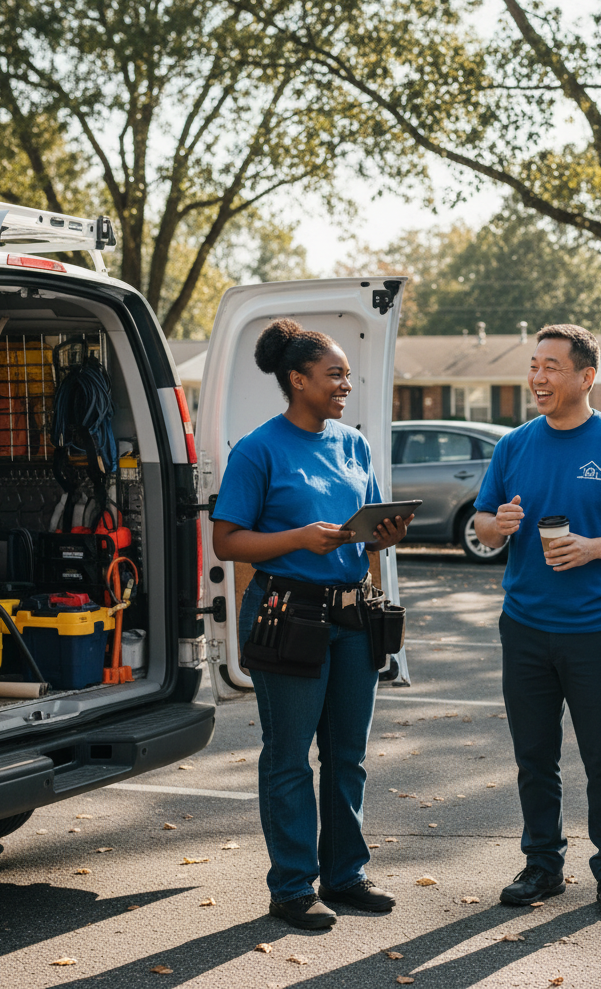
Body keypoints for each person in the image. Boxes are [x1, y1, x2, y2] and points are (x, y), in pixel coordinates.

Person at [211, 319, 412, 930]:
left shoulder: (354, 445)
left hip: (353, 617)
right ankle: (293, 887)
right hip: (286, 616)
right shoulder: (258, 449)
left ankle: (345, 876)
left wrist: (385, 535)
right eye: (334, 375)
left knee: (347, 754)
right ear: (297, 381)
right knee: (290, 757)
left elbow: (368, 522)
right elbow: (225, 540)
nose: (345, 384)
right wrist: (299, 538)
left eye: (348, 374)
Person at [473, 323, 601, 918]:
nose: (537, 376)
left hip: (594, 630)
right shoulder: (514, 446)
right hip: (525, 626)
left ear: (586, 377)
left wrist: (593, 548)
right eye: (533, 365)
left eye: (551, 366)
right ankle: (543, 865)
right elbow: (482, 526)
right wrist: (498, 525)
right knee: (534, 756)